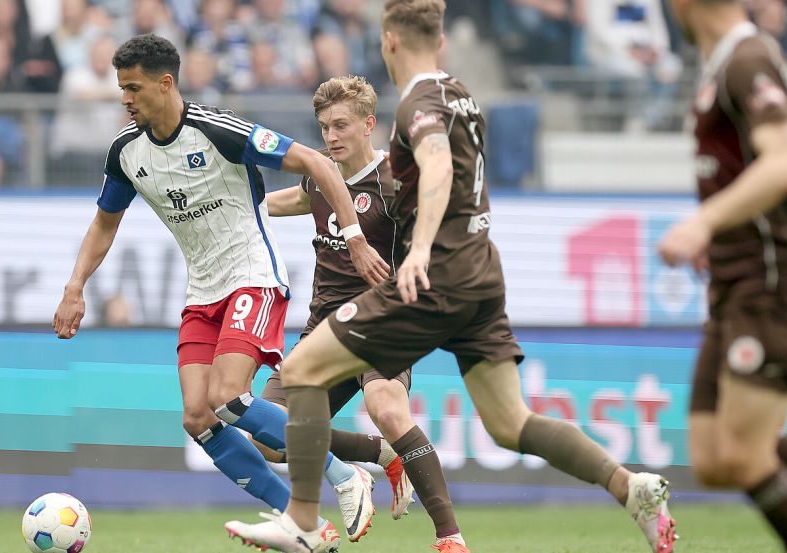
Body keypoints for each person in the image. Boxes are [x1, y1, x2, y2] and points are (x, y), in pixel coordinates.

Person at [224, 2, 677, 553]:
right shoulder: (460, 93)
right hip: (480, 273)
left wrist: (418, 251)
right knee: (511, 422)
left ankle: (306, 519)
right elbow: (303, 197)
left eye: (341, 125)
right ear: (440, 41)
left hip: (434, 276)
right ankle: (629, 485)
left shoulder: (419, 102)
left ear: (390, 42)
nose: (333, 135)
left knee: (303, 371)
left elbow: (436, 165)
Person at [51, 34, 390, 550]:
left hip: (253, 277)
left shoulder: (219, 130)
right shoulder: (126, 151)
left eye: (133, 88)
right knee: (197, 416)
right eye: (121, 88)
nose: (125, 98)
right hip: (201, 292)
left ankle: (345, 476)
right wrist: (75, 287)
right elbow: (104, 222)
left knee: (229, 397)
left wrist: (356, 237)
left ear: (165, 84)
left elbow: (319, 164)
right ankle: (301, 524)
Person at [254, 74, 470, 551]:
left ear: (368, 124)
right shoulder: (317, 174)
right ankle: (379, 456)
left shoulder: (395, 179)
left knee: (386, 407)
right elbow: (291, 200)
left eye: (341, 125)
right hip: (323, 327)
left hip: (381, 320)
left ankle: (450, 537)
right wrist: (228, 207)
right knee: (267, 436)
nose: (331, 136)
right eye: (324, 127)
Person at [658, 1, 787, 552]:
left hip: (770, 279)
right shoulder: (722, 64)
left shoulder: (747, 58)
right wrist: (717, 231)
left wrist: (704, 220)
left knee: (745, 455)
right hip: (734, 280)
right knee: (711, 458)